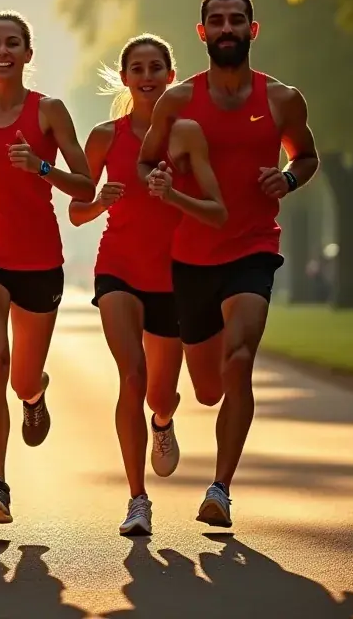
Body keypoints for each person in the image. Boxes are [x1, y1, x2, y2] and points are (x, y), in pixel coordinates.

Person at [138, 0, 319, 528]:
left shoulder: (282, 99)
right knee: (207, 389)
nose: (226, 29)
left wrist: (287, 178)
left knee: (239, 359)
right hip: (193, 256)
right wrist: (160, 180)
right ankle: (165, 419)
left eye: (236, 20)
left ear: (251, 30)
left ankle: (220, 489)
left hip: (253, 247)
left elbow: (306, 156)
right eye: (216, 21)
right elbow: (146, 161)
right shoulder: (178, 101)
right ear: (202, 32)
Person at [71, 34, 226, 536]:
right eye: (136, 68)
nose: (146, 77)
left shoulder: (188, 135)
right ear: (124, 78)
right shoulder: (104, 137)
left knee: (161, 394)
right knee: (132, 376)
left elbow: (214, 203)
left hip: (174, 275)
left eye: (156, 67)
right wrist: (100, 201)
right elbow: (76, 211)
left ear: (170, 76)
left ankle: (162, 422)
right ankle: (137, 499)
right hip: (118, 268)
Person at [0, 12, 96, 524]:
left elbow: (86, 186)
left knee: (21, 377)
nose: (3, 51)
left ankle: (34, 393)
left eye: (13, 43)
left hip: (38, 259)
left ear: (28, 54)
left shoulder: (49, 111)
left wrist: (40, 166)